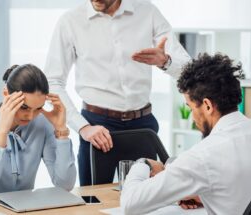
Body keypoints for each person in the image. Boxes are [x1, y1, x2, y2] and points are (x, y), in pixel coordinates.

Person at [44, 0, 190, 186]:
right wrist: (83, 127)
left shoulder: (148, 12)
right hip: (96, 128)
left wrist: (165, 61)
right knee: (93, 203)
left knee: (147, 200)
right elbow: (53, 82)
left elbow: (188, 68)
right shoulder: (70, 21)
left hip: (142, 126)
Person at [120, 53, 251, 215]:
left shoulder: (204, 156)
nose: (193, 118)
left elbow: (130, 204)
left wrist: (143, 164)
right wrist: (205, 195)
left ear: (207, 106)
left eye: (191, 108)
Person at [0, 64, 76, 199]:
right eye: (24, 107)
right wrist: (2, 131)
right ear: (6, 94)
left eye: (38, 108)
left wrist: (61, 130)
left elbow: (65, 185)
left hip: (18, 207)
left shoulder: (42, 124)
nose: (30, 116)